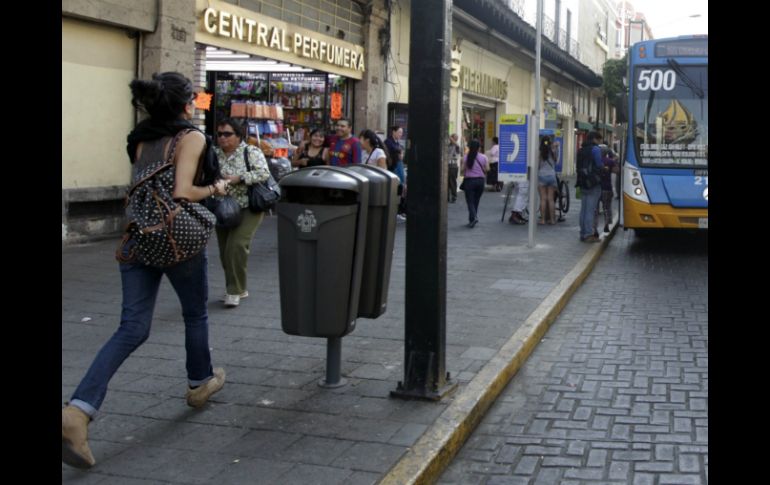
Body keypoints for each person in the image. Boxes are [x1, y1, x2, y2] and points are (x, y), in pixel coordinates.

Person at [62, 72, 229, 470]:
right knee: (195, 313)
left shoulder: (140, 138)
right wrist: (217, 189)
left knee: (132, 327)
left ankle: (77, 411)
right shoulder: (191, 137)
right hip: (176, 239)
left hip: (138, 237)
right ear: (186, 104)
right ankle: (199, 382)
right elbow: (183, 192)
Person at [214, 118, 271, 308]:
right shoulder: (214, 153)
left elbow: (263, 173)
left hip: (248, 206)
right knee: (225, 251)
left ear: (238, 136)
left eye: (227, 134)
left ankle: (234, 290)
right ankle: (238, 286)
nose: (222, 138)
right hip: (222, 206)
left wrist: (239, 178)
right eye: (219, 134)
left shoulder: (251, 151)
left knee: (236, 246)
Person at [577, 131, 604, 242]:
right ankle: (588, 234)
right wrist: (604, 168)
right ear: (594, 139)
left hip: (582, 182)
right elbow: (599, 164)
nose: (599, 142)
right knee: (590, 210)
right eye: (599, 140)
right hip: (593, 183)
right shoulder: (595, 149)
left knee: (583, 209)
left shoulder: (581, 149)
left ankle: (583, 233)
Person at [461, 139, 489, 228]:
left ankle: (474, 217)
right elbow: (487, 169)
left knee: (470, 201)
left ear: (469, 147)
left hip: (469, 181)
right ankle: (472, 219)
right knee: (476, 201)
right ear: (479, 148)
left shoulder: (466, 157)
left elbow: (462, 170)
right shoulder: (484, 157)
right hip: (480, 181)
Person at [595, 145, 619, 233]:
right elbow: (617, 171)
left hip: (596, 188)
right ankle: (606, 226)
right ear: (607, 153)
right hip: (607, 188)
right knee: (607, 207)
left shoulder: (596, 161)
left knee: (595, 209)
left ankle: (595, 229)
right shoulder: (610, 161)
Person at [385, 125, 407, 221]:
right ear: (393, 132)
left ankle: (400, 211)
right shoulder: (388, 142)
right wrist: (400, 152)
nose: (400, 134)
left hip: (399, 166)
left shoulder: (397, 143)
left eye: (401, 133)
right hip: (393, 168)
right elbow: (396, 150)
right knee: (397, 188)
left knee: (401, 188)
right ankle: (397, 211)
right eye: (399, 132)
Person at [537, 136, 558, 225]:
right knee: (551, 199)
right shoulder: (553, 151)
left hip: (542, 175)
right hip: (551, 176)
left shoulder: (540, 152)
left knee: (543, 199)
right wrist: (555, 148)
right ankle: (552, 220)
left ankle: (543, 220)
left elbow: (538, 165)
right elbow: (556, 161)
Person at [447, 133, 461, 202]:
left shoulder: (457, 146)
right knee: (446, 182)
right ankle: (447, 197)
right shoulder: (447, 145)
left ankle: (454, 196)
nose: (455, 138)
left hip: (453, 166)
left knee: (452, 182)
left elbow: (456, 144)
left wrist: (448, 136)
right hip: (447, 165)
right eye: (454, 137)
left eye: (456, 137)